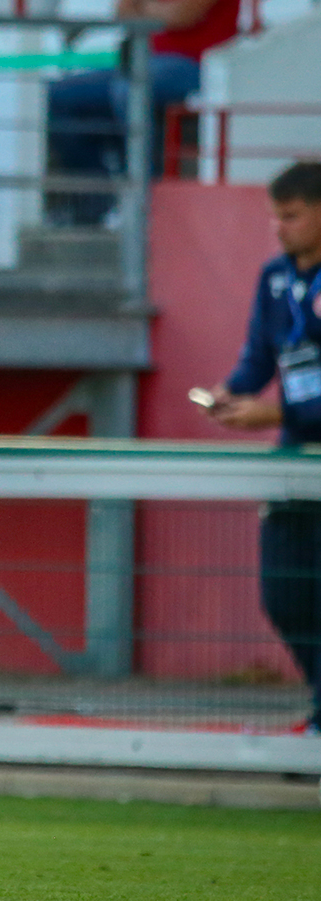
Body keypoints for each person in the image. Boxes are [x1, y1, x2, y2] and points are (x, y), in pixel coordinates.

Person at [196, 161, 321, 737]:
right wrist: (231, 393)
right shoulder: (274, 277)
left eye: (291, 216)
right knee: (284, 594)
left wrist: (273, 413)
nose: (279, 228)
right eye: (275, 215)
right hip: (296, 457)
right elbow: (258, 358)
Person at [45, 0, 240, 226]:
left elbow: (181, 15)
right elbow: (124, 12)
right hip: (145, 62)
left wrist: (142, 8)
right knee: (58, 95)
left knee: (130, 90)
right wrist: (152, 10)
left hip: (200, 65)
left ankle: (145, 203)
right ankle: (98, 200)